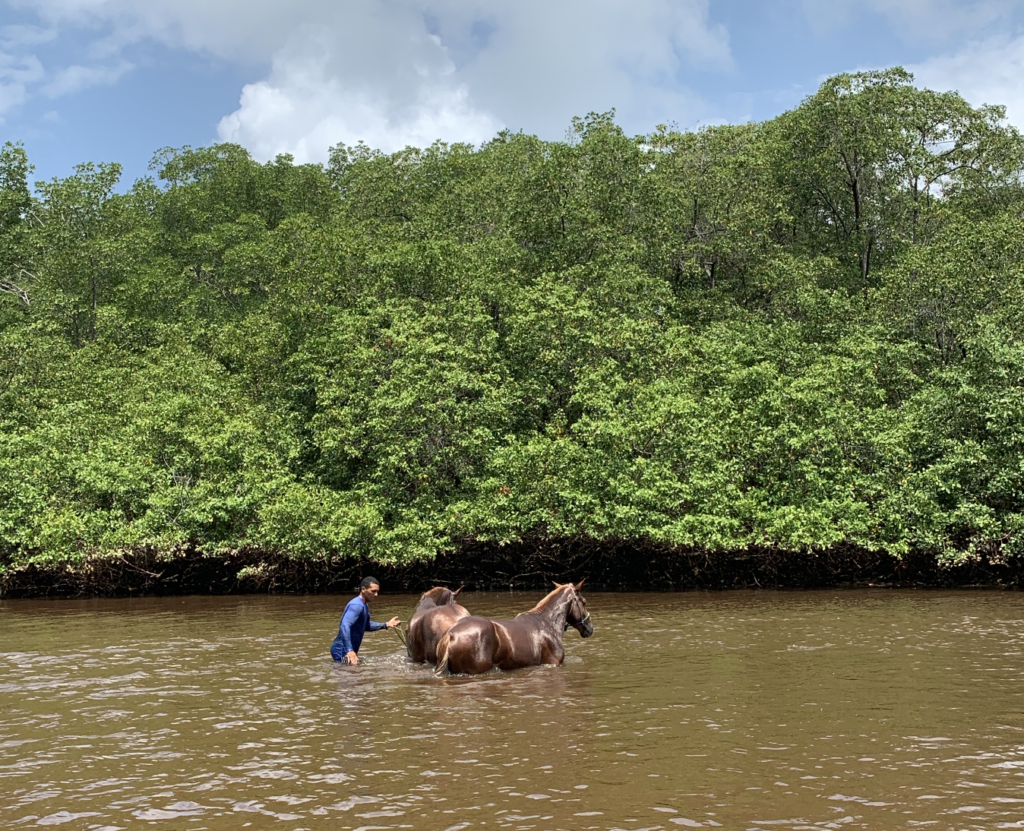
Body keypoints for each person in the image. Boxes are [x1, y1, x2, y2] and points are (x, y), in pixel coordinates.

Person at [330, 577, 401, 664]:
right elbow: (345, 625)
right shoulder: (356, 605)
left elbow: (365, 625)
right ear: (363, 589)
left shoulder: (364, 605)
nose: (376, 595)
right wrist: (349, 650)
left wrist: (386, 624)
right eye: (373, 591)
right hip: (342, 649)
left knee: (352, 674)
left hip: (348, 648)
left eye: (377, 592)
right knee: (348, 674)